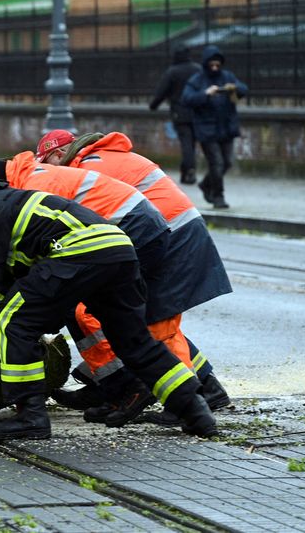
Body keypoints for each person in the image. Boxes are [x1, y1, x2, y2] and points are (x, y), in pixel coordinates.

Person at [0, 157, 217, 440]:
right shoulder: (11, 202)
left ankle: (29, 416)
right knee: (133, 340)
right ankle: (194, 409)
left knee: (15, 320)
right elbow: (8, 284)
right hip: (119, 250)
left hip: (81, 251)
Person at [39, 130, 234, 419]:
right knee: (154, 316)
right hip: (174, 232)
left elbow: (84, 228)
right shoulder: (99, 157)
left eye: (46, 166)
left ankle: (176, 400)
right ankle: (206, 388)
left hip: (169, 235)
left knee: (139, 319)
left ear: (57, 155)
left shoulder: (86, 169)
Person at [0, 150, 175, 427]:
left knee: (92, 312)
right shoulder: (27, 177)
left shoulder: (33, 187)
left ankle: (130, 386)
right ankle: (118, 387)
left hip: (131, 229)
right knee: (95, 311)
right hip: (129, 227)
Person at [180, 45, 248, 210]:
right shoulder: (197, 80)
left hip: (226, 127)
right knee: (216, 163)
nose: (215, 68)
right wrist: (205, 94)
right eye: (212, 65)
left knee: (227, 162)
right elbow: (187, 98)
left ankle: (206, 184)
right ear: (206, 64)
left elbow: (243, 89)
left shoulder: (227, 76)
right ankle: (218, 196)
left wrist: (235, 88)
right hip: (207, 130)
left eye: (218, 65)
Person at [149, 44, 202, 184]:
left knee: (186, 143)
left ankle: (189, 170)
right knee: (192, 143)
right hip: (197, 112)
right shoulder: (197, 69)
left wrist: (153, 105)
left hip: (180, 112)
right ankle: (187, 171)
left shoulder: (173, 71)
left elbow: (162, 91)